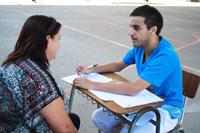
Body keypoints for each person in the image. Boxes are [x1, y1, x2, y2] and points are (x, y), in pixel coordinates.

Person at [74, 5, 183, 133]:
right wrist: (90, 70)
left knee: (128, 130)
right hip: (145, 99)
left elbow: (133, 89)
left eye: (136, 28)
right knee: (99, 117)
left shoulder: (165, 56)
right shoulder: (140, 47)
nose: (130, 32)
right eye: (130, 27)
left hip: (166, 108)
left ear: (153, 30)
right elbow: (118, 65)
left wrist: (92, 84)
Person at [0, 15, 80, 133]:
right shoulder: (37, 79)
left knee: (73, 118)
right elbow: (66, 130)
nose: (59, 44)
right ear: (48, 40)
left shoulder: (13, 62)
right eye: (58, 38)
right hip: (18, 128)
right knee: (71, 122)